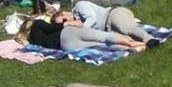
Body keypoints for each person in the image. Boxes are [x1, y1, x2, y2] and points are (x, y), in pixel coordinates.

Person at [16, 11, 146, 52]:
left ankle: (135, 48)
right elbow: (52, 28)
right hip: (67, 33)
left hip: (66, 47)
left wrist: (26, 44)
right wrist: (67, 23)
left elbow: (38, 50)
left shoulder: (32, 41)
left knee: (101, 46)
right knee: (103, 37)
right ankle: (132, 42)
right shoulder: (38, 24)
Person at [70, 0, 159, 47]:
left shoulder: (79, 6)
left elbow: (92, 18)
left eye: (65, 19)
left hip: (112, 14)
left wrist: (82, 28)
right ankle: (144, 42)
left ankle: (149, 39)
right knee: (126, 40)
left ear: (63, 13)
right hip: (108, 29)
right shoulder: (73, 26)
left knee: (125, 28)